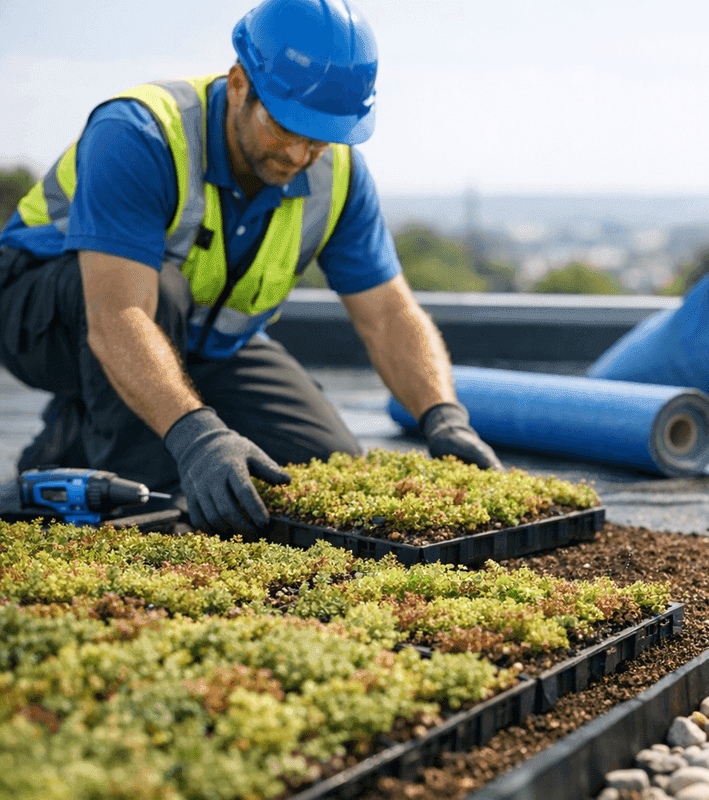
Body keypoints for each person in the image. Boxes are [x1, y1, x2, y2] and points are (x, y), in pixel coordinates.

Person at [0, 0, 501, 536]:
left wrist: (442, 415)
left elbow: (388, 313)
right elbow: (117, 315)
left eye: (320, 137)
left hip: (200, 342)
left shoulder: (338, 177)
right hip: (48, 317)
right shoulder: (140, 133)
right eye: (286, 127)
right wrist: (198, 438)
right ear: (239, 84)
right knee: (172, 473)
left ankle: (89, 430)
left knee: (318, 467)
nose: (300, 154)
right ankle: (135, 486)